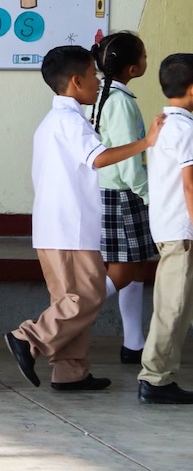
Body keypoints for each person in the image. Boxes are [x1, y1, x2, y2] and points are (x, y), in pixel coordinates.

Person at [5, 45, 162, 392]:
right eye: (93, 76)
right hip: (70, 229)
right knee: (87, 297)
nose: (97, 82)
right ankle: (27, 337)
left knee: (68, 301)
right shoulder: (69, 121)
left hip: (54, 227)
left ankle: (70, 372)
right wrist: (146, 142)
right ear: (76, 81)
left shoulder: (53, 121)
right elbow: (100, 158)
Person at [87, 31, 154, 365]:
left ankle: (133, 343)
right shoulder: (121, 103)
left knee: (136, 267)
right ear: (131, 68)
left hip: (110, 191)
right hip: (123, 193)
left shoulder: (102, 93)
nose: (146, 61)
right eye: (143, 56)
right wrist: (149, 196)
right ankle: (56, 323)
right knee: (124, 270)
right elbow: (130, 162)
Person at [137, 53, 193, 403]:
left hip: (167, 225)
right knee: (173, 306)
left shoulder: (163, 124)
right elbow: (190, 185)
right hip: (180, 228)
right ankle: (155, 378)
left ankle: (162, 376)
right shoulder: (185, 129)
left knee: (174, 304)